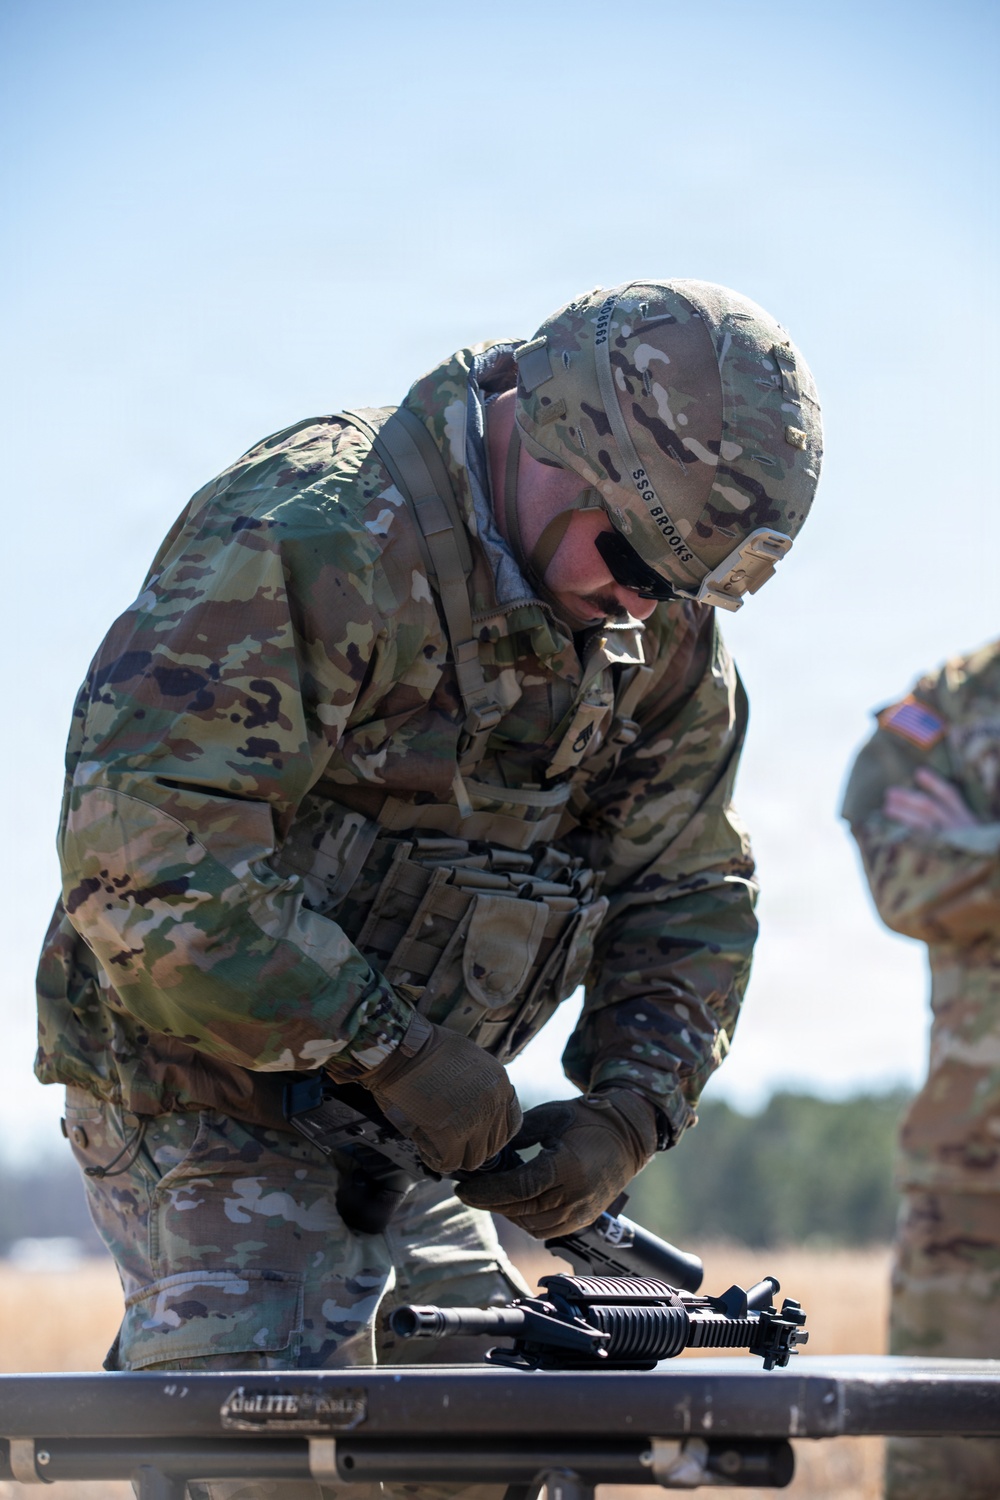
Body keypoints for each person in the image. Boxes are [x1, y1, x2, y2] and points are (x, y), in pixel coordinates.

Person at [36, 279, 821, 1455]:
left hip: (415, 1125)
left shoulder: (650, 623)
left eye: (676, 586)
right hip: (198, 1081)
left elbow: (688, 890)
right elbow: (147, 858)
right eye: (630, 560)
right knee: (274, 1435)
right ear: (558, 440)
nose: (642, 605)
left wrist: (628, 1109)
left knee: (476, 1433)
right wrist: (391, 1052)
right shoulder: (317, 532)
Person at [842, 642, 1000, 1500]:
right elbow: (904, 882)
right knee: (946, 1472)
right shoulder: (946, 711)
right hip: (975, 1185)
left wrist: (976, 838)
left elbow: (948, 875)